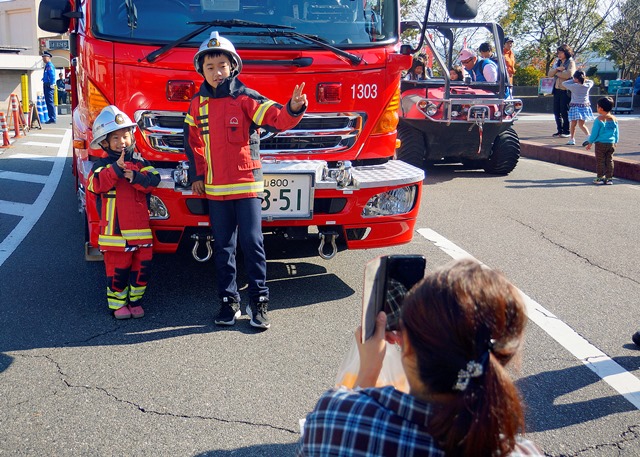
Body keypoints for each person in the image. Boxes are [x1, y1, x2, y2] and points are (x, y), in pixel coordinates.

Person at [297, 258, 543, 456]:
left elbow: (347, 422)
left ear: (408, 348)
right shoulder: (521, 452)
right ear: (501, 356)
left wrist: (368, 372)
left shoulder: (335, 419)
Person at [183, 31, 307, 329]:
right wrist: (198, 175)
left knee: (253, 243)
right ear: (201, 70)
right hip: (215, 189)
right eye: (209, 67)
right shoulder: (196, 104)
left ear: (233, 67)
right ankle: (228, 304)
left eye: (222, 65)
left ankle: (259, 302)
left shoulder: (246, 97)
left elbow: (278, 118)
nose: (216, 72)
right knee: (223, 247)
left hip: (247, 186)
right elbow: (192, 142)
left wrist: (294, 108)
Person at [87, 105, 160, 319]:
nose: (122, 142)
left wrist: (136, 177)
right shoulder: (100, 167)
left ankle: (136, 301)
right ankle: (118, 305)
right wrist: (117, 170)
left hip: (141, 233)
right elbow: (95, 185)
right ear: (105, 143)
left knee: (142, 270)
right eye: (116, 138)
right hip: (115, 235)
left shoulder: (140, 163)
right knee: (117, 272)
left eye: (126, 136)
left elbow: (153, 180)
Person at [584, 97, 619, 185]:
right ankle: (609, 179)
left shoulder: (599, 119)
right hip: (611, 143)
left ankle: (600, 178)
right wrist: (616, 141)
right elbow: (616, 132)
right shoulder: (614, 119)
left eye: (597, 106)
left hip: (600, 144)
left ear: (601, 108)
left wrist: (590, 142)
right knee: (609, 160)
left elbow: (594, 133)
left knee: (600, 161)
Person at [548, 44, 576, 138]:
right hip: (557, 89)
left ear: (566, 52)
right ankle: (559, 130)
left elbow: (568, 74)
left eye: (561, 52)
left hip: (565, 90)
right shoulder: (557, 62)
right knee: (556, 111)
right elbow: (550, 74)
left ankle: (566, 131)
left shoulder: (570, 62)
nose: (559, 55)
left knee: (564, 111)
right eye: (558, 53)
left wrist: (557, 73)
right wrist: (557, 69)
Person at [561, 70, 594, 145]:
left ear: (576, 78)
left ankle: (572, 139)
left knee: (573, 124)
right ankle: (588, 136)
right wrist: (584, 80)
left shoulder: (573, 86)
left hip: (575, 106)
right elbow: (591, 81)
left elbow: (564, 83)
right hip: (585, 106)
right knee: (582, 124)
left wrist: (573, 80)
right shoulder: (587, 85)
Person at [41, 51, 57, 124]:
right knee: (48, 101)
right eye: (43, 57)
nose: (43, 59)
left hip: (48, 85)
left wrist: (52, 83)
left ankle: (52, 118)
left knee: (50, 102)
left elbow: (52, 75)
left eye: (45, 57)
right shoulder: (47, 65)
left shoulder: (49, 65)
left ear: (49, 57)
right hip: (46, 84)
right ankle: (51, 117)